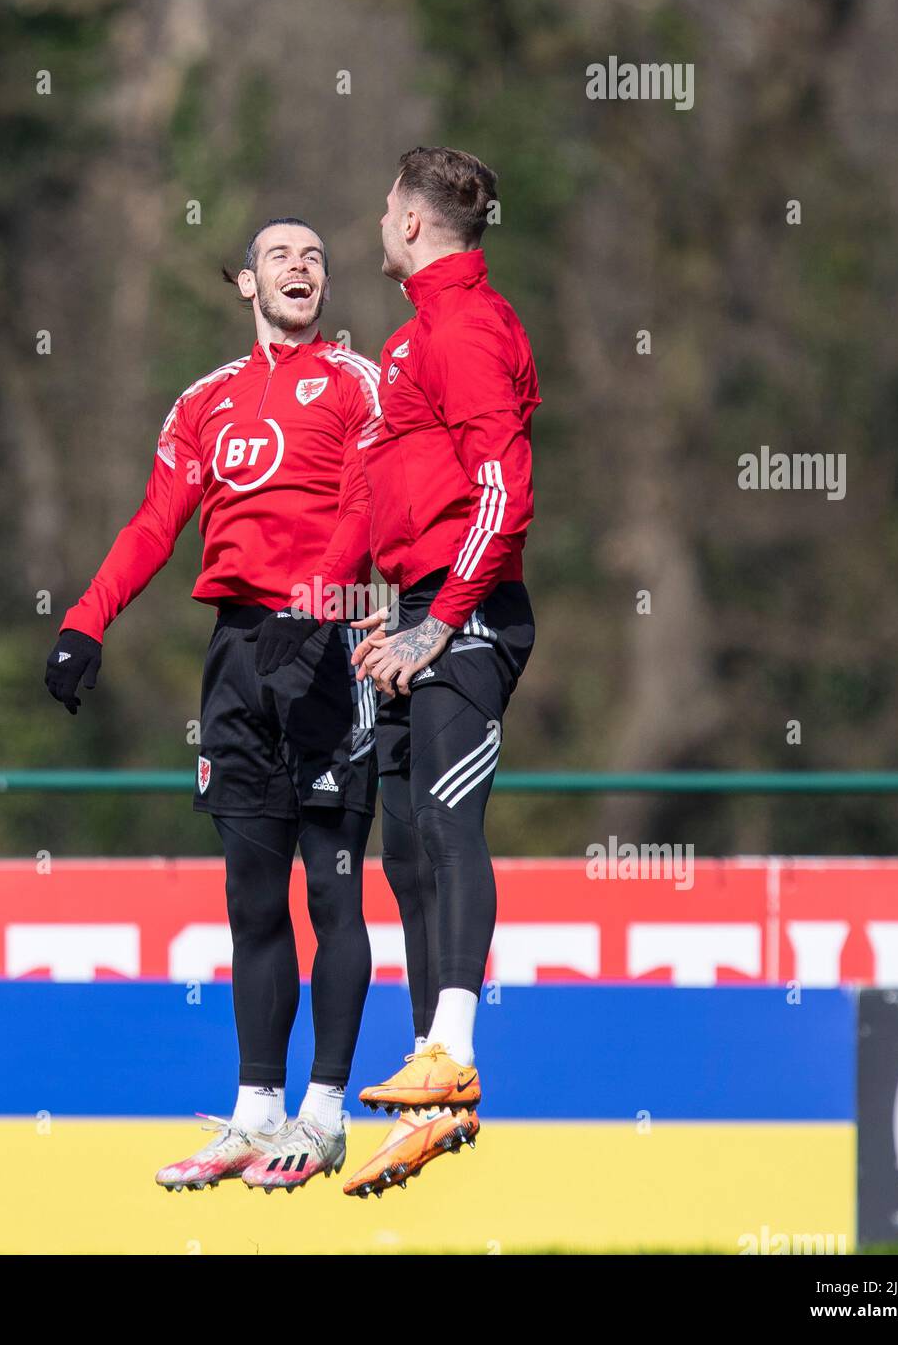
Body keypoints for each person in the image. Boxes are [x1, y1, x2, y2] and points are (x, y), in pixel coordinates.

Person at [45, 218, 381, 1192]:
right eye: (281, 255)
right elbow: (156, 522)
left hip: (328, 639)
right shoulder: (204, 402)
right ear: (244, 282)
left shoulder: (357, 382)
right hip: (237, 651)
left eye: (315, 256)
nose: (301, 268)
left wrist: (318, 604)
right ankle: (254, 1111)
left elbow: (368, 511)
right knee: (249, 894)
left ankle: (323, 1115)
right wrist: (84, 621)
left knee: (331, 886)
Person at [344, 148, 539, 1197]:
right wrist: (391, 617)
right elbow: (409, 498)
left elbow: (503, 495)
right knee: (407, 851)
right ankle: (437, 1087)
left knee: (451, 829)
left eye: (385, 207)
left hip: (468, 616)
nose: (377, 222)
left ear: (413, 225)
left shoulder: (465, 327)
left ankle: (455, 1049)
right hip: (418, 612)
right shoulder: (413, 337)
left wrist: (442, 623)